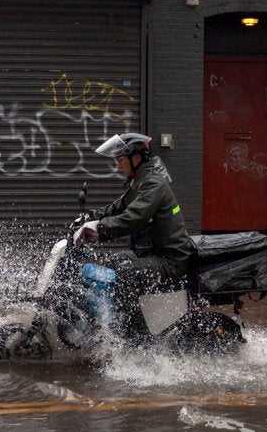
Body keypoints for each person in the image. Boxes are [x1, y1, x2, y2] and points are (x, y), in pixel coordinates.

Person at [73, 133, 194, 337]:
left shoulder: (153, 183)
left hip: (170, 260)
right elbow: (117, 208)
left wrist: (98, 228)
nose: (118, 166)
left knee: (125, 273)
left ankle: (135, 337)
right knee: (113, 263)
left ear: (136, 158)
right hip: (152, 253)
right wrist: (89, 217)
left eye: (120, 160)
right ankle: (106, 321)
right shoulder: (141, 181)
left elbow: (133, 217)